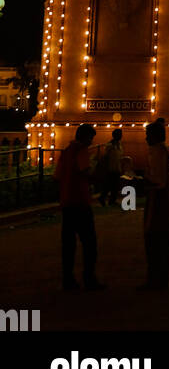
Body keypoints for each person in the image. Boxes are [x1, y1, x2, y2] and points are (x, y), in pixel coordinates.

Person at [55, 123, 105, 291]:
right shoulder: (81, 151)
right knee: (90, 243)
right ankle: (89, 278)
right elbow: (86, 173)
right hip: (81, 202)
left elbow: (57, 176)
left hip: (67, 202)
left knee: (68, 244)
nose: (91, 142)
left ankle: (67, 280)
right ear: (85, 138)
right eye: (91, 138)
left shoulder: (66, 151)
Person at [140, 120, 169, 290]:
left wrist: (142, 180)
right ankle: (161, 278)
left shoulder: (157, 152)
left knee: (154, 240)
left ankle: (155, 280)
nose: (146, 138)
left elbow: (158, 180)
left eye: (148, 135)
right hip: (165, 197)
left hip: (157, 197)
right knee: (161, 242)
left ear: (155, 136)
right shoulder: (167, 150)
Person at [99, 127, 123, 206]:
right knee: (109, 185)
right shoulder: (110, 145)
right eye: (119, 134)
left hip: (117, 168)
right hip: (111, 168)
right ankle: (103, 198)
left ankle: (111, 200)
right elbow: (106, 157)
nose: (121, 136)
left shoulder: (119, 145)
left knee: (114, 186)